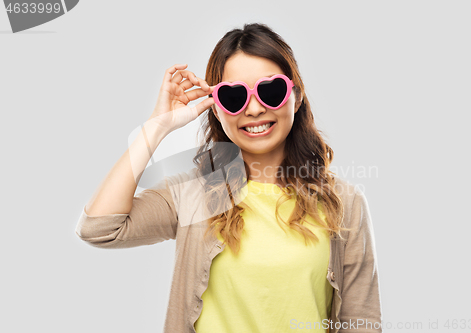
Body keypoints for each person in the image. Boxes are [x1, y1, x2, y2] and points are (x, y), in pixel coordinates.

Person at [75, 23, 383, 333]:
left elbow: (362, 323)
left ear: (296, 96)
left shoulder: (343, 203)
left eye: (270, 91)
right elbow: (99, 228)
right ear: (217, 110)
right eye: (233, 97)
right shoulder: (194, 194)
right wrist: (157, 127)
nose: (253, 108)